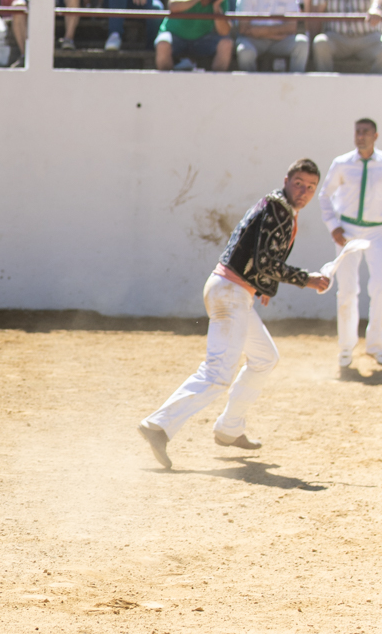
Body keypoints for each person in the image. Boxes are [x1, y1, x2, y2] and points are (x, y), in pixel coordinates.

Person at [138, 160, 330, 469]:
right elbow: (265, 261)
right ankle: (158, 425)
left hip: (233, 291)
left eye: (310, 187)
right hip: (231, 293)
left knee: (265, 357)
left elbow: (248, 248)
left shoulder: (274, 206)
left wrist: (262, 285)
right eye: (299, 183)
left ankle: (230, 428)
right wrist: (305, 279)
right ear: (286, 180)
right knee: (217, 373)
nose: (303, 191)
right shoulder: (278, 210)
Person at [317, 119, 382, 366]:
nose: (360, 136)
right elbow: (325, 195)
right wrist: (333, 226)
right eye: (358, 132)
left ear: (375, 136)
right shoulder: (342, 163)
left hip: (378, 230)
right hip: (347, 231)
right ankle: (346, 348)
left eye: (365, 132)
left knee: (381, 287)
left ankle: (376, 346)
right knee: (346, 289)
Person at [309, 0, 382, 73]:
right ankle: (325, 82)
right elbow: (317, 13)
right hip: (337, 38)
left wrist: (375, 8)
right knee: (320, 43)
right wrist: (311, 44)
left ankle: (376, 83)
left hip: (368, 38)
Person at [235, 0, 307, 71]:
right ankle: (250, 83)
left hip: (279, 40)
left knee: (301, 43)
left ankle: (296, 81)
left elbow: (292, 27)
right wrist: (275, 32)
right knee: (244, 51)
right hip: (255, 40)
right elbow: (243, 28)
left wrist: (260, 31)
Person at [155, 0, 233, 70]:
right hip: (175, 36)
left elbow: (224, 32)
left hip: (202, 40)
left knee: (226, 44)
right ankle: (166, 79)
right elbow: (172, 6)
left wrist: (216, 7)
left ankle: (217, 80)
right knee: (163, 43)